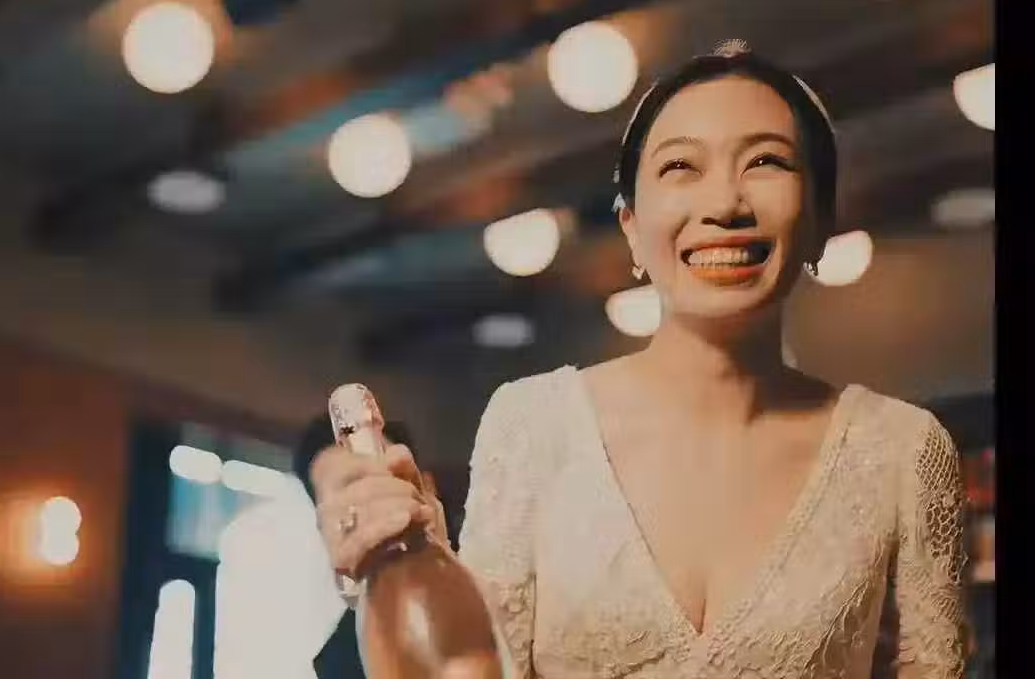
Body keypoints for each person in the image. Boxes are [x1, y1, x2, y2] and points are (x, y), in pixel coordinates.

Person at [307, 40, 968, 678]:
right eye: (681, 167)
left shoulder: (904, 452)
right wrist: (396, 572)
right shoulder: (532, 423)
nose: (724, 205)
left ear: (821, 219)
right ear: (632, 228)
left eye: (766, 161)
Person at [293, 414, 445, 678]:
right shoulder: (338, 664)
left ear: (427, 486)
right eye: (348, 493)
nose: (373, 502)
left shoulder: (497, 571)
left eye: (384, 478)